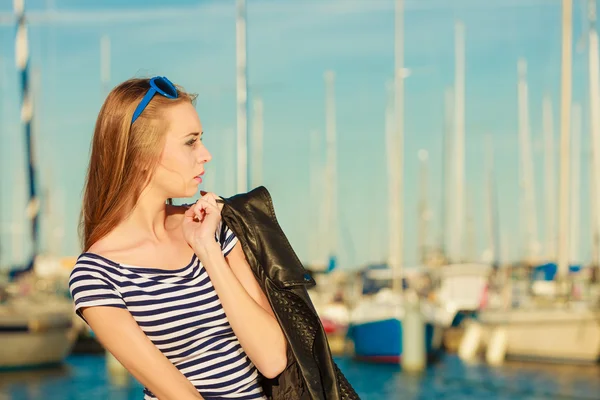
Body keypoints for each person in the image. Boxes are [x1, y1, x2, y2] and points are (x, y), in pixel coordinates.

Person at [69, 77, 287, 400]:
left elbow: (272, 358)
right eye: (191, 142)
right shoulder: (97, 276)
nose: (206, 154)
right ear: (142, 154)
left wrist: (207, 250)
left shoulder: (209, 225)